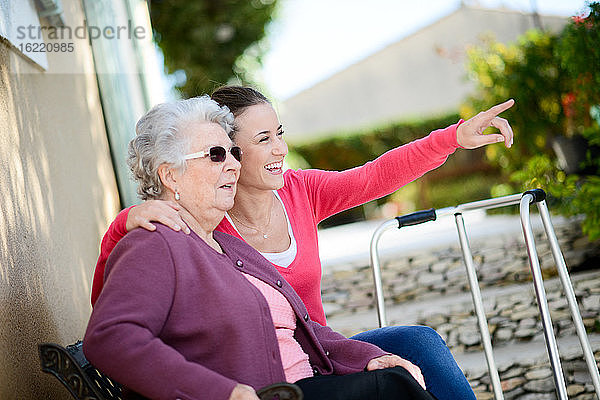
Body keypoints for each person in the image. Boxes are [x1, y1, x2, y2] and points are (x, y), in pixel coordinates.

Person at [91, 86, 515, 400]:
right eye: (260, 141)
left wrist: (453, 139)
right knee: (392, 387)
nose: (281, 148)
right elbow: (120, 299)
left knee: (416, 345)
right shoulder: (198, 229)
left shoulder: (292, 196)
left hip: (315, 349)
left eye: (279, 132)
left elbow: (373, 176)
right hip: (274, 374)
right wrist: (124, 223)